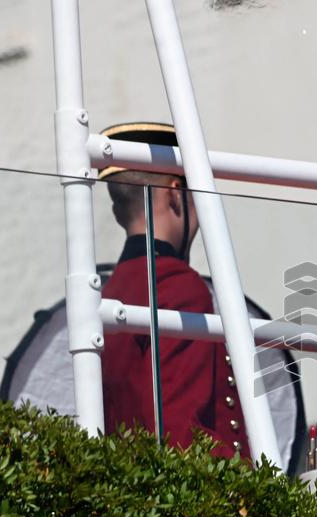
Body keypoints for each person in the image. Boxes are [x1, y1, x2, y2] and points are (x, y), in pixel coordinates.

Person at [98, 122, 258, 461]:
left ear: (117, 212)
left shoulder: (112, 291)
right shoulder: (176, 285)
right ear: (175, 193)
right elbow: (180, 433)